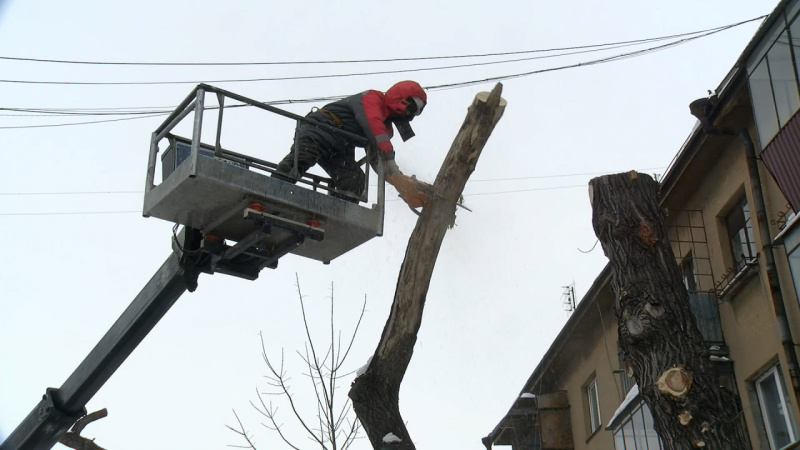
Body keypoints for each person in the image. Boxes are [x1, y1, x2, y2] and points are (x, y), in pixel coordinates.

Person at [272, 80, 432, 208]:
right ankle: (272, 191)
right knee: (303, 157)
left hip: (340, 149)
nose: (409, 113)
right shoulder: (373, 99)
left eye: (414, 111)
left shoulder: (385, 130)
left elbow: (379, 160)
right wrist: (396, 173)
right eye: (411, 107)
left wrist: (399, 181)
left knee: (355, 181)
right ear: (401, 98)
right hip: (319, 129)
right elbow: (373, 125)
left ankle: (333, 213)